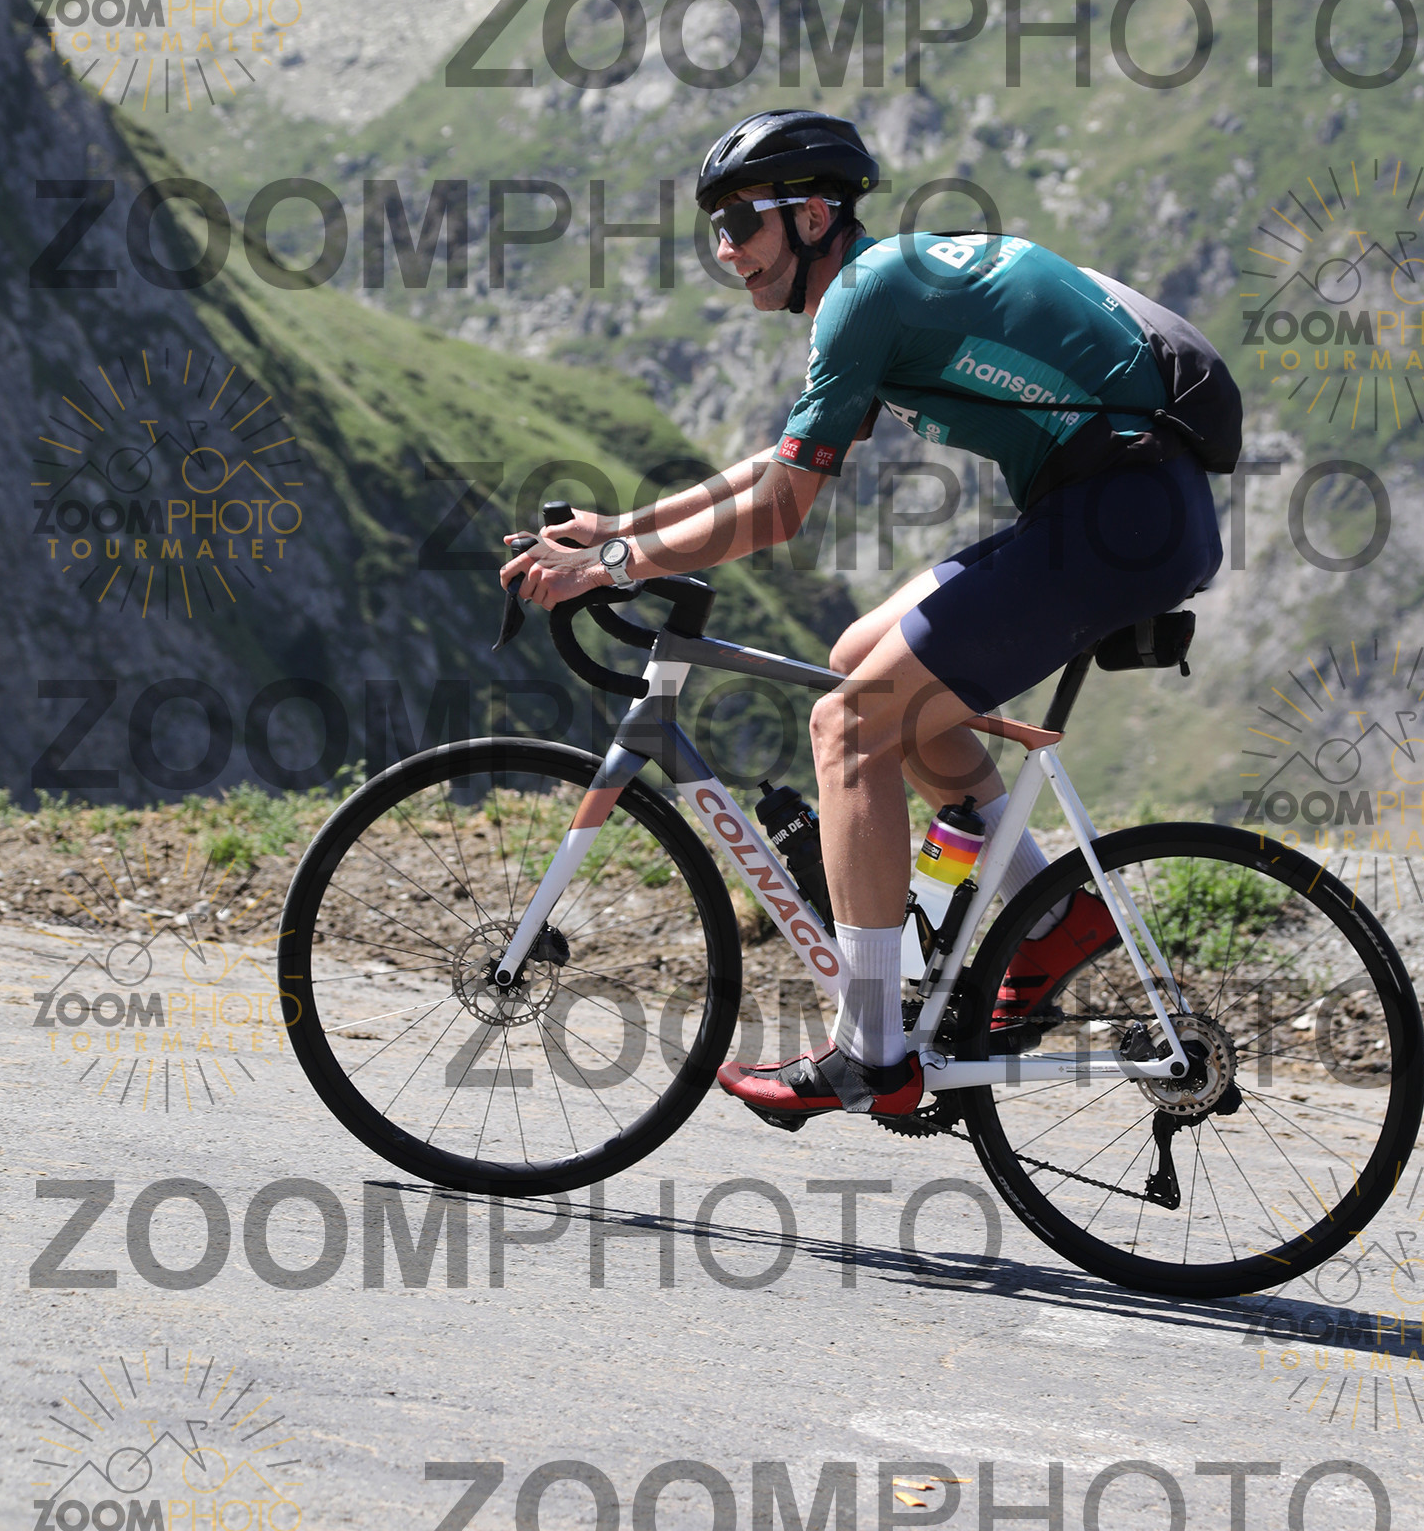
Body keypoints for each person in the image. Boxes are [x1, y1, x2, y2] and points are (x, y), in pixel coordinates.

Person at [501, 109, 1225, 1125]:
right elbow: (782, 463)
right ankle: (1053, 918)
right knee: (857, 663)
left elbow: (778, 512)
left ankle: (870, 1051)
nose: (725, 250)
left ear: (810, 216)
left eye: (741, 222)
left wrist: (611, 567)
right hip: (1112, 510)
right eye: (715, 227)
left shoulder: (864, 293)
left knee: (847, 725)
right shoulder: (882, 287)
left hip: (1121, 517)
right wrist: (621, 529)